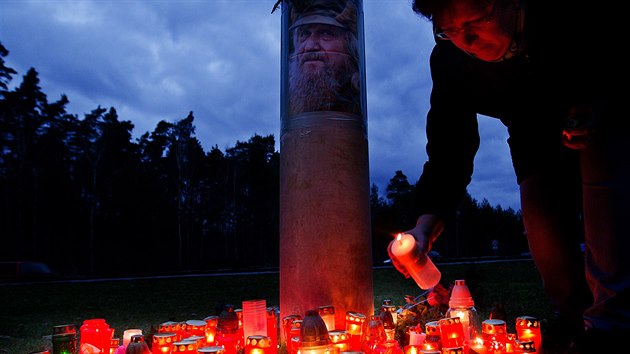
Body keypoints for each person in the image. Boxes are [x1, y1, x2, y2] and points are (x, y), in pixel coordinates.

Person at [387, 0, 628, 352]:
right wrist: (425, 224)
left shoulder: (565, 19)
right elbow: (450, 145)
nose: (466, 39)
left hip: (600, 119)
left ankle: (614, 327)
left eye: (475, 22)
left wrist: (599, 105)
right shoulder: (451, 59)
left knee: (609, 226)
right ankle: (575, 323)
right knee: (546, 238)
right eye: (449, 30)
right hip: (534, 143)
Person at [287, 0, 361, 116]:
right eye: (305, 34)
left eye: (326, 33)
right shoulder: (290, 104)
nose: (310, 46)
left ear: (350, 45)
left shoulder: (360, 104)